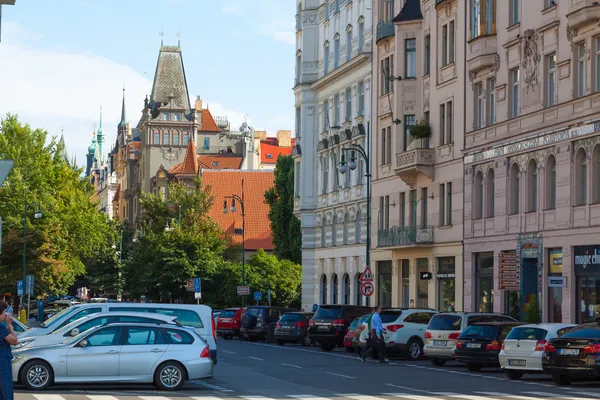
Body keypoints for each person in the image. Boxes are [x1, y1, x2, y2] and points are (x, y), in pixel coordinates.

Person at [0, 300, 18, 400]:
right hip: (2, 362)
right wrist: (10, 325)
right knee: (5, 388)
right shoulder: (1, 327)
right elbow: (14, 340)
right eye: (4, 313)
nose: (6, 314)